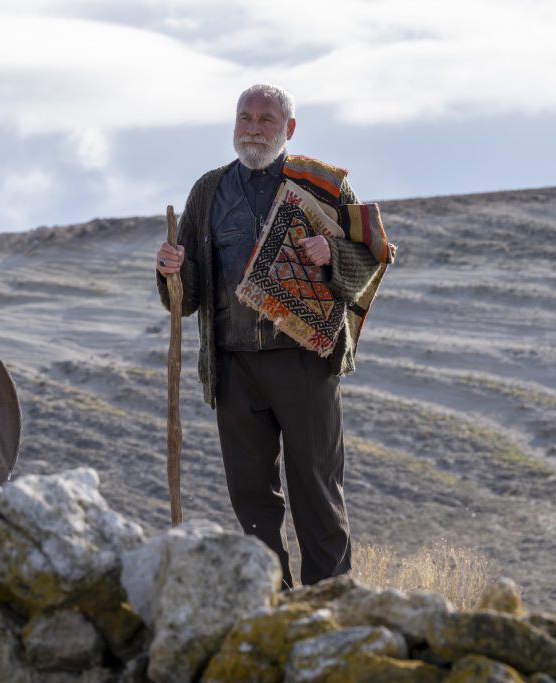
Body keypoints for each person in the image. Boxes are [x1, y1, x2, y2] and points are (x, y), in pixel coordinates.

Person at [155, 84, 390, 588]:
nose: (253, 128)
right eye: (245, 118)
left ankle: (329, 604)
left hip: (305, 361)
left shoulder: (324, 187)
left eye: (265, 119)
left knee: (317, 493)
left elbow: (372, 258)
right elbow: (188, 294)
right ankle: (272, 606)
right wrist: (170, 269)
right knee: (251, 498)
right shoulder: (208, 191)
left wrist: (334, 256)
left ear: (290, 129)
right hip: (233, 366)